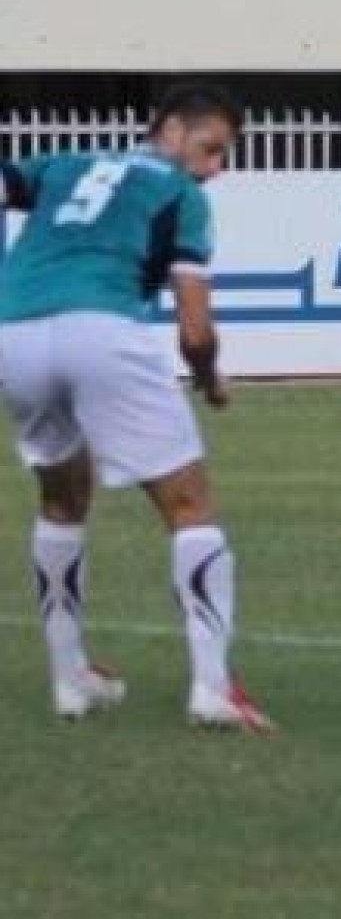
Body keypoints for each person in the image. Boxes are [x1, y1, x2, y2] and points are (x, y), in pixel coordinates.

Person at [0, 82, 274, 729]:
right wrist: (209, 379)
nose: (213, 170)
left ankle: (71, 681)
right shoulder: (179, 196)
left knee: (63, 498)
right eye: (210, 149)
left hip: (12, 332)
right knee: (190, 507)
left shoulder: (63, 165)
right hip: (102, 329)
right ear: (172, 130)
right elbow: (195, 329)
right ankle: (213, 688)